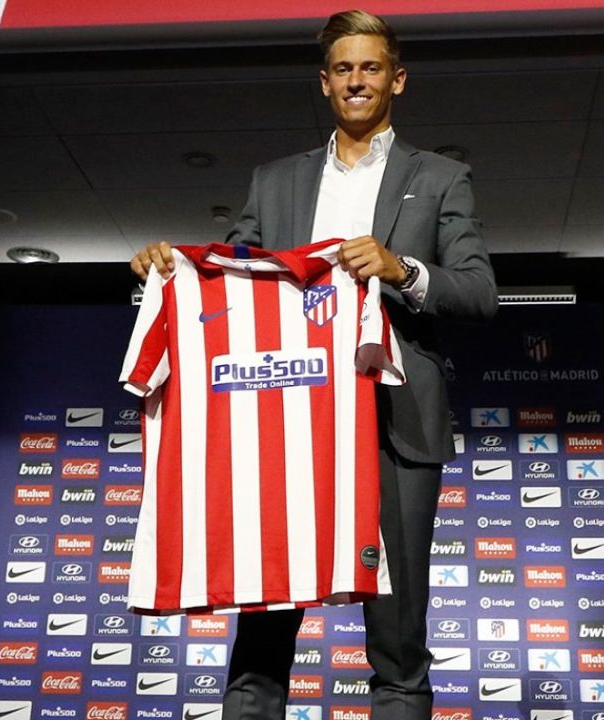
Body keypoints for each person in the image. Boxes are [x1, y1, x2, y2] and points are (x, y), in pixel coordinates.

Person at [130, 9, 497, 720]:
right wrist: (167, 269)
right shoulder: (275, 182)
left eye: (371, 67)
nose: (357, 80)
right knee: (262, 628)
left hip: (394, 421)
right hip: (284, 422)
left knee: (397, 636)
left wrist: (401, 268)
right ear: (324, 82)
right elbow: (227, 276)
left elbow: (479, 293)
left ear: (397, 79)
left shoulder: (441, 177)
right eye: (343, 68)